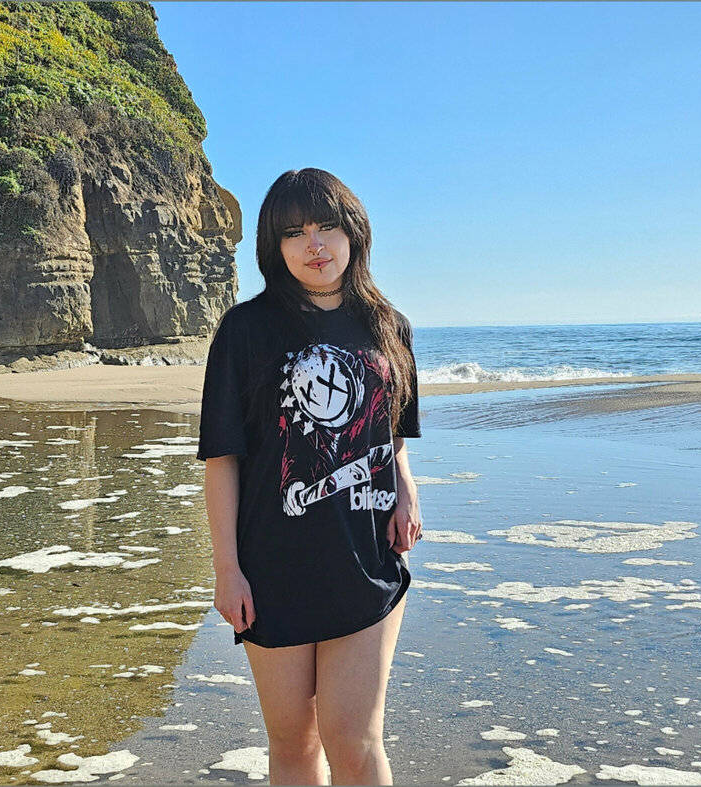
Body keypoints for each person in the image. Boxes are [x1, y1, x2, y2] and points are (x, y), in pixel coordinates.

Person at [197, 168, 423, 785]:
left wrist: (406, 490)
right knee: (294, 740)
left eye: (326, 226)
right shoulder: (245, 329)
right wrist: (227, 570)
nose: (314, 245)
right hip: (273, 564)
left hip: (364, 555)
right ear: (275, 247)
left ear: (354, 232)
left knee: (355, 739)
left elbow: (392, 434)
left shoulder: (389, 326)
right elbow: (223, 458)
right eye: (294, 232)